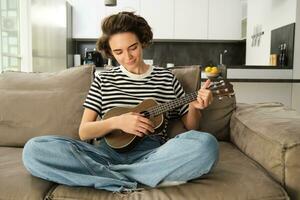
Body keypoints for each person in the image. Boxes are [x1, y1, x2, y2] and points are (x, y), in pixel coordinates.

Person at [22, 11, 219, 192]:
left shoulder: (166, 78)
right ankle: (138, 178)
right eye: (118, 52)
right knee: (33, 150)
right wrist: (117, 122)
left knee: (206, 145)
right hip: (105, 156)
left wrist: (194, 106)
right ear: (110, 52)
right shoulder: (103, 79)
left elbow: (192, 126)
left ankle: (112, 178)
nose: (128, 57)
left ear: (142, 41)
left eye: (132, 48)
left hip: (153, 155)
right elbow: (84, 132)